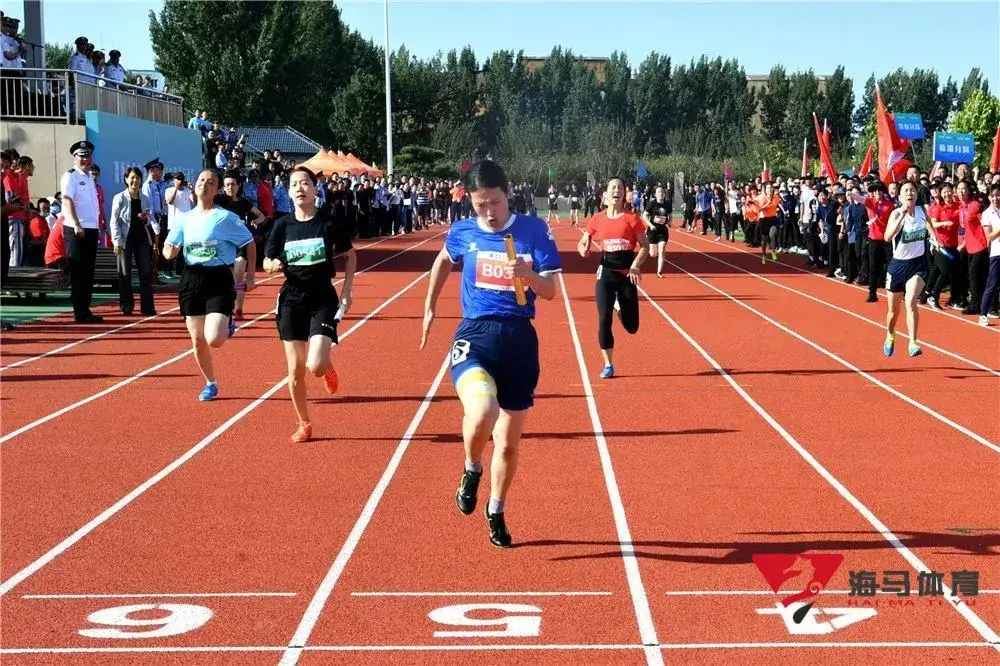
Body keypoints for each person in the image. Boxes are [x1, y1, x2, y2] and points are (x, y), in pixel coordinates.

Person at [419, 160, 561, 549]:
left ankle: (496, 509)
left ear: (507, 193)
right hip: (476, 335)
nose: (489, 212)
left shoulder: (533, 231)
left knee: (509, 444)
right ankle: (471, 468)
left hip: (519, 340)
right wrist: (430, 306)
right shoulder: (463, 231)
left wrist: (527, 275)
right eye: (480, 205)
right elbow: (443, 260)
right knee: (482, 410)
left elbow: (550, 292)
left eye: (495, 203)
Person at [264, 167, 356, 442]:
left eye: (305, 183)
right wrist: (271, 264)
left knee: (315, 365)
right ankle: (304, 423)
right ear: (288, 192)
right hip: (292, 298)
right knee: (295, 370)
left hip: (322, 298)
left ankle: (326, 367)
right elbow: (267, 259)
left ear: (316, 190)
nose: (300, 188)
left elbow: (350, 256)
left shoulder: (328, 222)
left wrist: (347, 290)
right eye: (294, 184)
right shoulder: (282, 226)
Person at [162, 169, 256, 401]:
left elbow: (249, 242)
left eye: (211, 182)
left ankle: (228, 319)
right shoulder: (184, 218)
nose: (205, 184)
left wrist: (250, 276)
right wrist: (170, 252)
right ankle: (210, 382)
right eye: (202, 180)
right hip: (192, 279)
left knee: (214, 339)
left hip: (218, 278)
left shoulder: (226, 218)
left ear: (217, 189)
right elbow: (167, 248)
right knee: (197, 339)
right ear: (194, 186)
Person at [577, 178, 649, 379]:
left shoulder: (632, 218)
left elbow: (645, 246)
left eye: (620, 187)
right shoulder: (597, 219)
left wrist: (635, 265)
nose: (616, 190)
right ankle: (608, 364)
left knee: (632, 327)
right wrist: (583, 249)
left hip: (626, 275)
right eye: (612, 187)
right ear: (606, 194)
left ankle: (619, 306)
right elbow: (582, 242)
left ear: (625, 193)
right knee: (603, 318)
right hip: (606, 273)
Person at [882, 181, 934, 358]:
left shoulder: (922, 211)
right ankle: (890, 334)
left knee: (910, 301)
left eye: (912, 190)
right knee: (893, 312)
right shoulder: (896, 213)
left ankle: (913, 342)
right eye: (906, 191)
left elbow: (929, 226)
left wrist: (935, 238)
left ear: (916, 195)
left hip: (918, 264)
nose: (909, 193)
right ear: (900, 196)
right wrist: (902, 215)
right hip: (898, 266)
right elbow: (887, 237)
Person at [60, 140, 103, 323]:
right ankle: (80, 312)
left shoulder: (89, 178)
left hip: (91, 229)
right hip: (76, 229)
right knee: (78, 272)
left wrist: (97, 227)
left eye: (89, 155)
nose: (86, 159)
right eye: (82, 156)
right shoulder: (70, 176)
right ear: (74, 158)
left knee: (88, 272)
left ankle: (85, 310)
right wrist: (76, 224)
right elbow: (67, 200)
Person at [216, 172, 266, 321]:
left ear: (238, 186)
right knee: (224, 280)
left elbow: (261, 215)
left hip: (240, 246)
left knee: (238, 280)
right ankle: (224, 307)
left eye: (233, 184)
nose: (230, 187)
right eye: (227, 185)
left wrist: (256, 221)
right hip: (223, 245)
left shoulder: (244, 202)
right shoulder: (218, 200)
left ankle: (238, 310)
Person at [109, 166, 157, 315]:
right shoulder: (119, 198)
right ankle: (127, 306)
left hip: (142, 239)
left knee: (146, 273)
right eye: (132, 178)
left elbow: (149, 220)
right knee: (125, 274)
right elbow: (114, 221)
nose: (135, 181)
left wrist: (145, 219)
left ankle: (147, 307)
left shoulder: (145, 198)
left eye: (138, 178)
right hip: (125, 240)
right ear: (126, 179)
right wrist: (117, 242)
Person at [977, 184, 1000, 326]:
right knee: (992, 284)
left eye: (998, 195)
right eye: (992, 196)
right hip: (997, 253)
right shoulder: (986, 214)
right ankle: (983, 314)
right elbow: (989, 237)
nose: (995, 198)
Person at [642, 184, 671, 278]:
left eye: (662, 192)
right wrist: (650, 225)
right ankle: (647, 242)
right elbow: (644, 215)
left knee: (662, 250)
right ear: (655, 194)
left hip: (663, 231)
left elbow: (670, 215)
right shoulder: (652, 203)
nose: (661, 193)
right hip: (652, 231)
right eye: (659, 192)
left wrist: (669, 222)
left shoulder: (667, 204)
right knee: (653, 254)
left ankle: (659, 272)